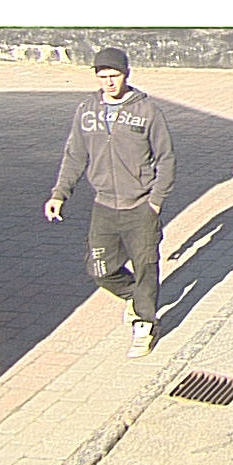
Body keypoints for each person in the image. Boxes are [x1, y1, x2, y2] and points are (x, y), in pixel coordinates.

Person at [44, 47, 176, 358]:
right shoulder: (86, 111)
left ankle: (145, 323)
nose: (109, 82)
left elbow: (166, 159)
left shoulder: (147, 111)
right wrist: (59, 194)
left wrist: (155, 201)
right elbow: (75, 156)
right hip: (104, 206)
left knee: (146, 266)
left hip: (140, 206)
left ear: (125, 75)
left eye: (114, 76)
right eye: (102, 76)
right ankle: (136, 297)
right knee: (99, 269)